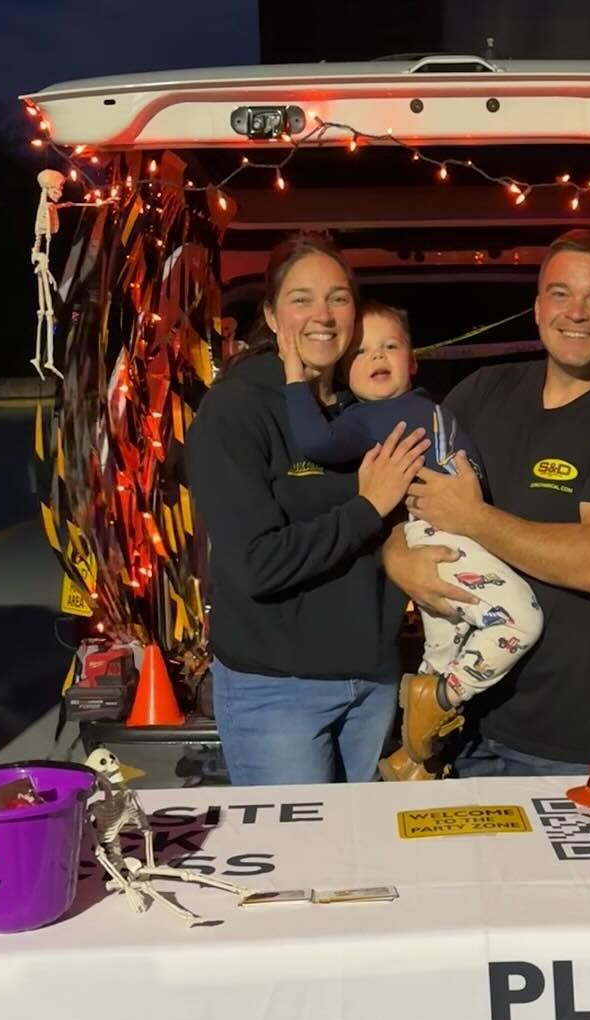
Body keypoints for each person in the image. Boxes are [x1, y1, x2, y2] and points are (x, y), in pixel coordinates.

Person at [387, 229, 590, 777]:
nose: (576, 313)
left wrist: (474, 518)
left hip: (563, 747)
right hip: (457, 729)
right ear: (538, 303)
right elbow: (409, 502)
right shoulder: (479, 394)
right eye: (560, 293)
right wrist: (395, 555)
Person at [185, 234, 428, 785]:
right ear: (271, 315)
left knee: (358, 857)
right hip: (278, 689)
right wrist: (368, 508)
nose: (322, 314)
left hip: (371, 682)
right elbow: (256, 563)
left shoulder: (363, 407)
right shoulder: (236, 411)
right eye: (302, 299)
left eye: (338, 298)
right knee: (299, 863)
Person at [283, 300, 543, 781]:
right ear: (344, 371)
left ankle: (415, 758)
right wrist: (295, 378)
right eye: (361, 353)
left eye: (390, 346)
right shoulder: (364, 419)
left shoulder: (425, 405)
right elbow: (315, 444)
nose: (377, 357)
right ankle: (440, 699)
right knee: (519, 621)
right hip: (441, 536)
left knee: (444, 649)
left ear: (413, 358)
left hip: (455, 533)